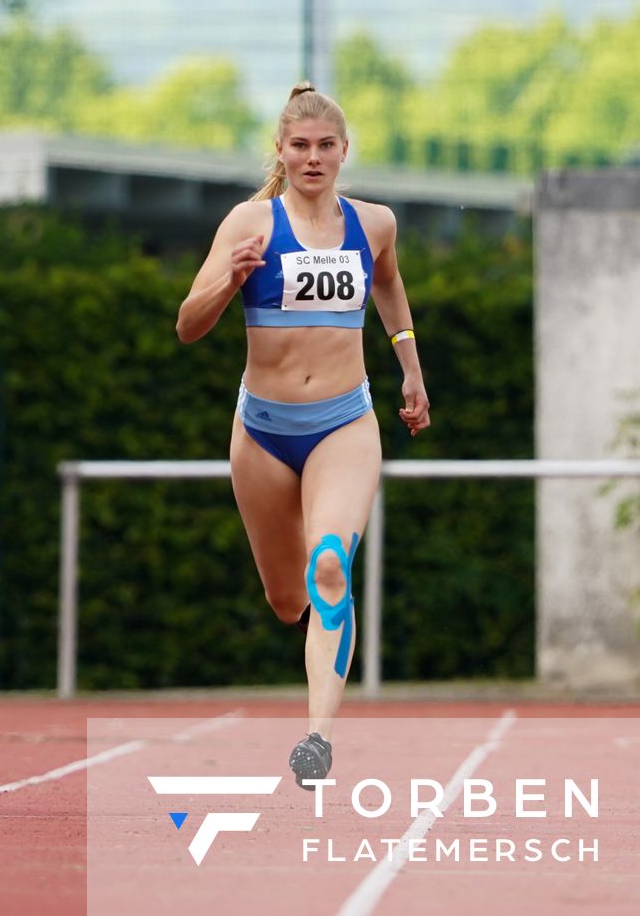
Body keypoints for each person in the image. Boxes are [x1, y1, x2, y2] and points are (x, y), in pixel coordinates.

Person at [176, 83, 431, 789]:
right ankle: (301, 632)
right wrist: (229, 280)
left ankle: (318, 738)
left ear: (344, 152)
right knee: (288, 599)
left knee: (329, 569)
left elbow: (389, 287)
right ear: (281, 153)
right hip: (261, 431)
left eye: (325, 146)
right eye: (300, 146)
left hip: (345, 423)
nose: (312, 158)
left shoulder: (374, 223)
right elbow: (187, 325)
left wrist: (410, 367)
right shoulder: (249, 224)